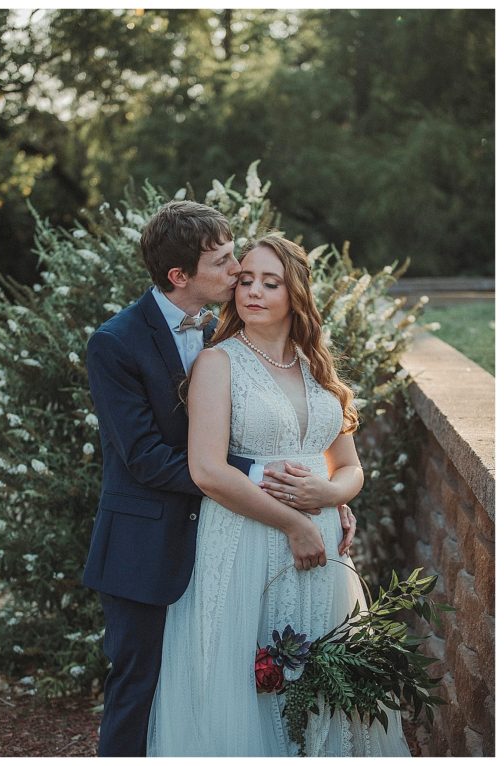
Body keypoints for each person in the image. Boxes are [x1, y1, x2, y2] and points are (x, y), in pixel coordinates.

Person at [83, 201, 349, 757]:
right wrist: (265, 477)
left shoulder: (229, 331)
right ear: (181, 276)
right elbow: (147, 458)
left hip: (238, 532)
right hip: (147, 544)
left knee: (256, 679)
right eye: (227, 264)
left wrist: (327, 493)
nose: (237, 275)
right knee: (140, 689)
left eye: (243, 265)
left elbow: (269, 418)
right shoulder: (116, 343)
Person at [146, 234, 409, 756]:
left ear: (296, 294)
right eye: (245, 280)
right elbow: (207, 471)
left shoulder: (318, 367)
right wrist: (295, 522)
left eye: (271, 282)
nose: (254, 292)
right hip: (247, 539)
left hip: (325, 552)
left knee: (321, 676)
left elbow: (351, 468)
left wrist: (329, 493)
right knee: (253, 675)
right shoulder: (217, 364)